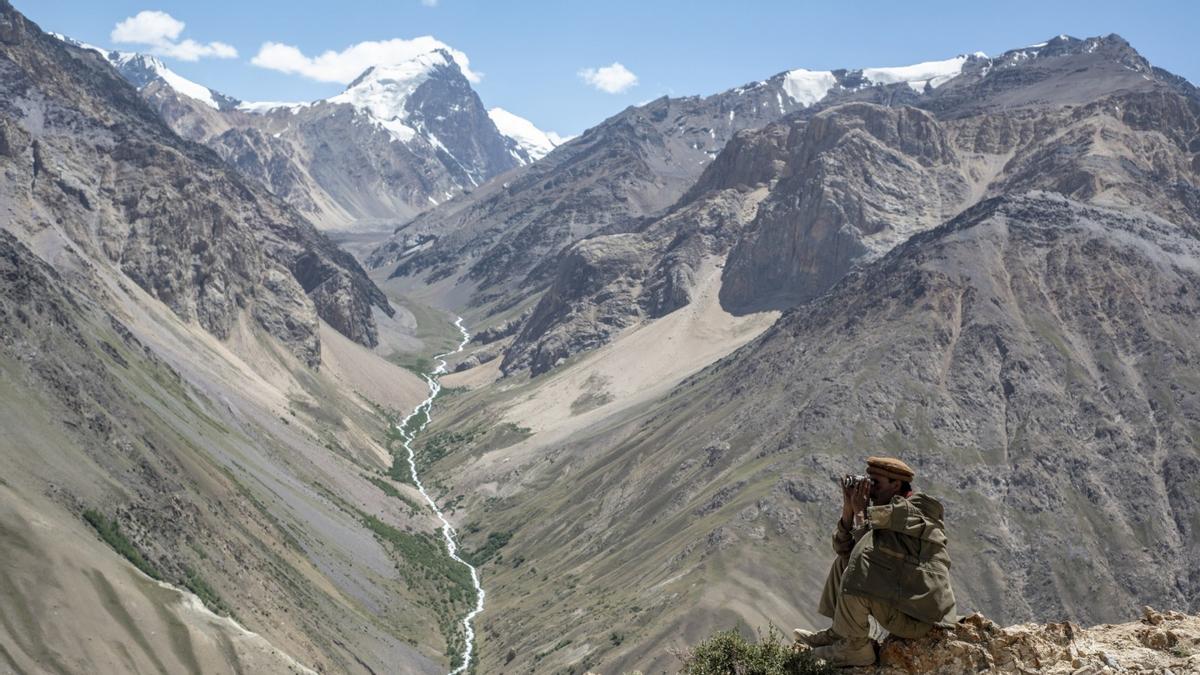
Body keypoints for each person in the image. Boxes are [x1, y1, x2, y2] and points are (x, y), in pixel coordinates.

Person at [793, 456, 956, 667]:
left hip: (918, 618)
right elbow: (845, 549)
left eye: (875, 483)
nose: (870, 489)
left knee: (858, 571)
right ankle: (840, 635)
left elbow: (867, 555)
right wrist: (848, 510)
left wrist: (861, 512)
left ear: (896, 484)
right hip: (901, 600)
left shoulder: (914, 513)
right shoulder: (887, 512)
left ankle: (855, 649)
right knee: (843, 563)